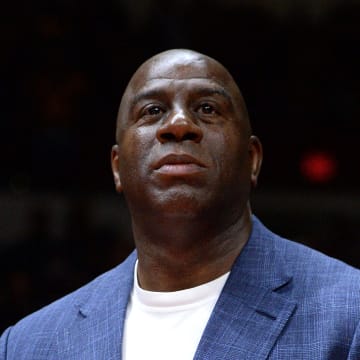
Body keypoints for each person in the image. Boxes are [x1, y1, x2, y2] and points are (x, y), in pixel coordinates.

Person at [1, 49, 360, 360]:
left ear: (252, 159)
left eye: (207, 108)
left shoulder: (348, 313)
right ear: (117, 167)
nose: (178, 125)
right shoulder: (30, 345)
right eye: (153, 110)